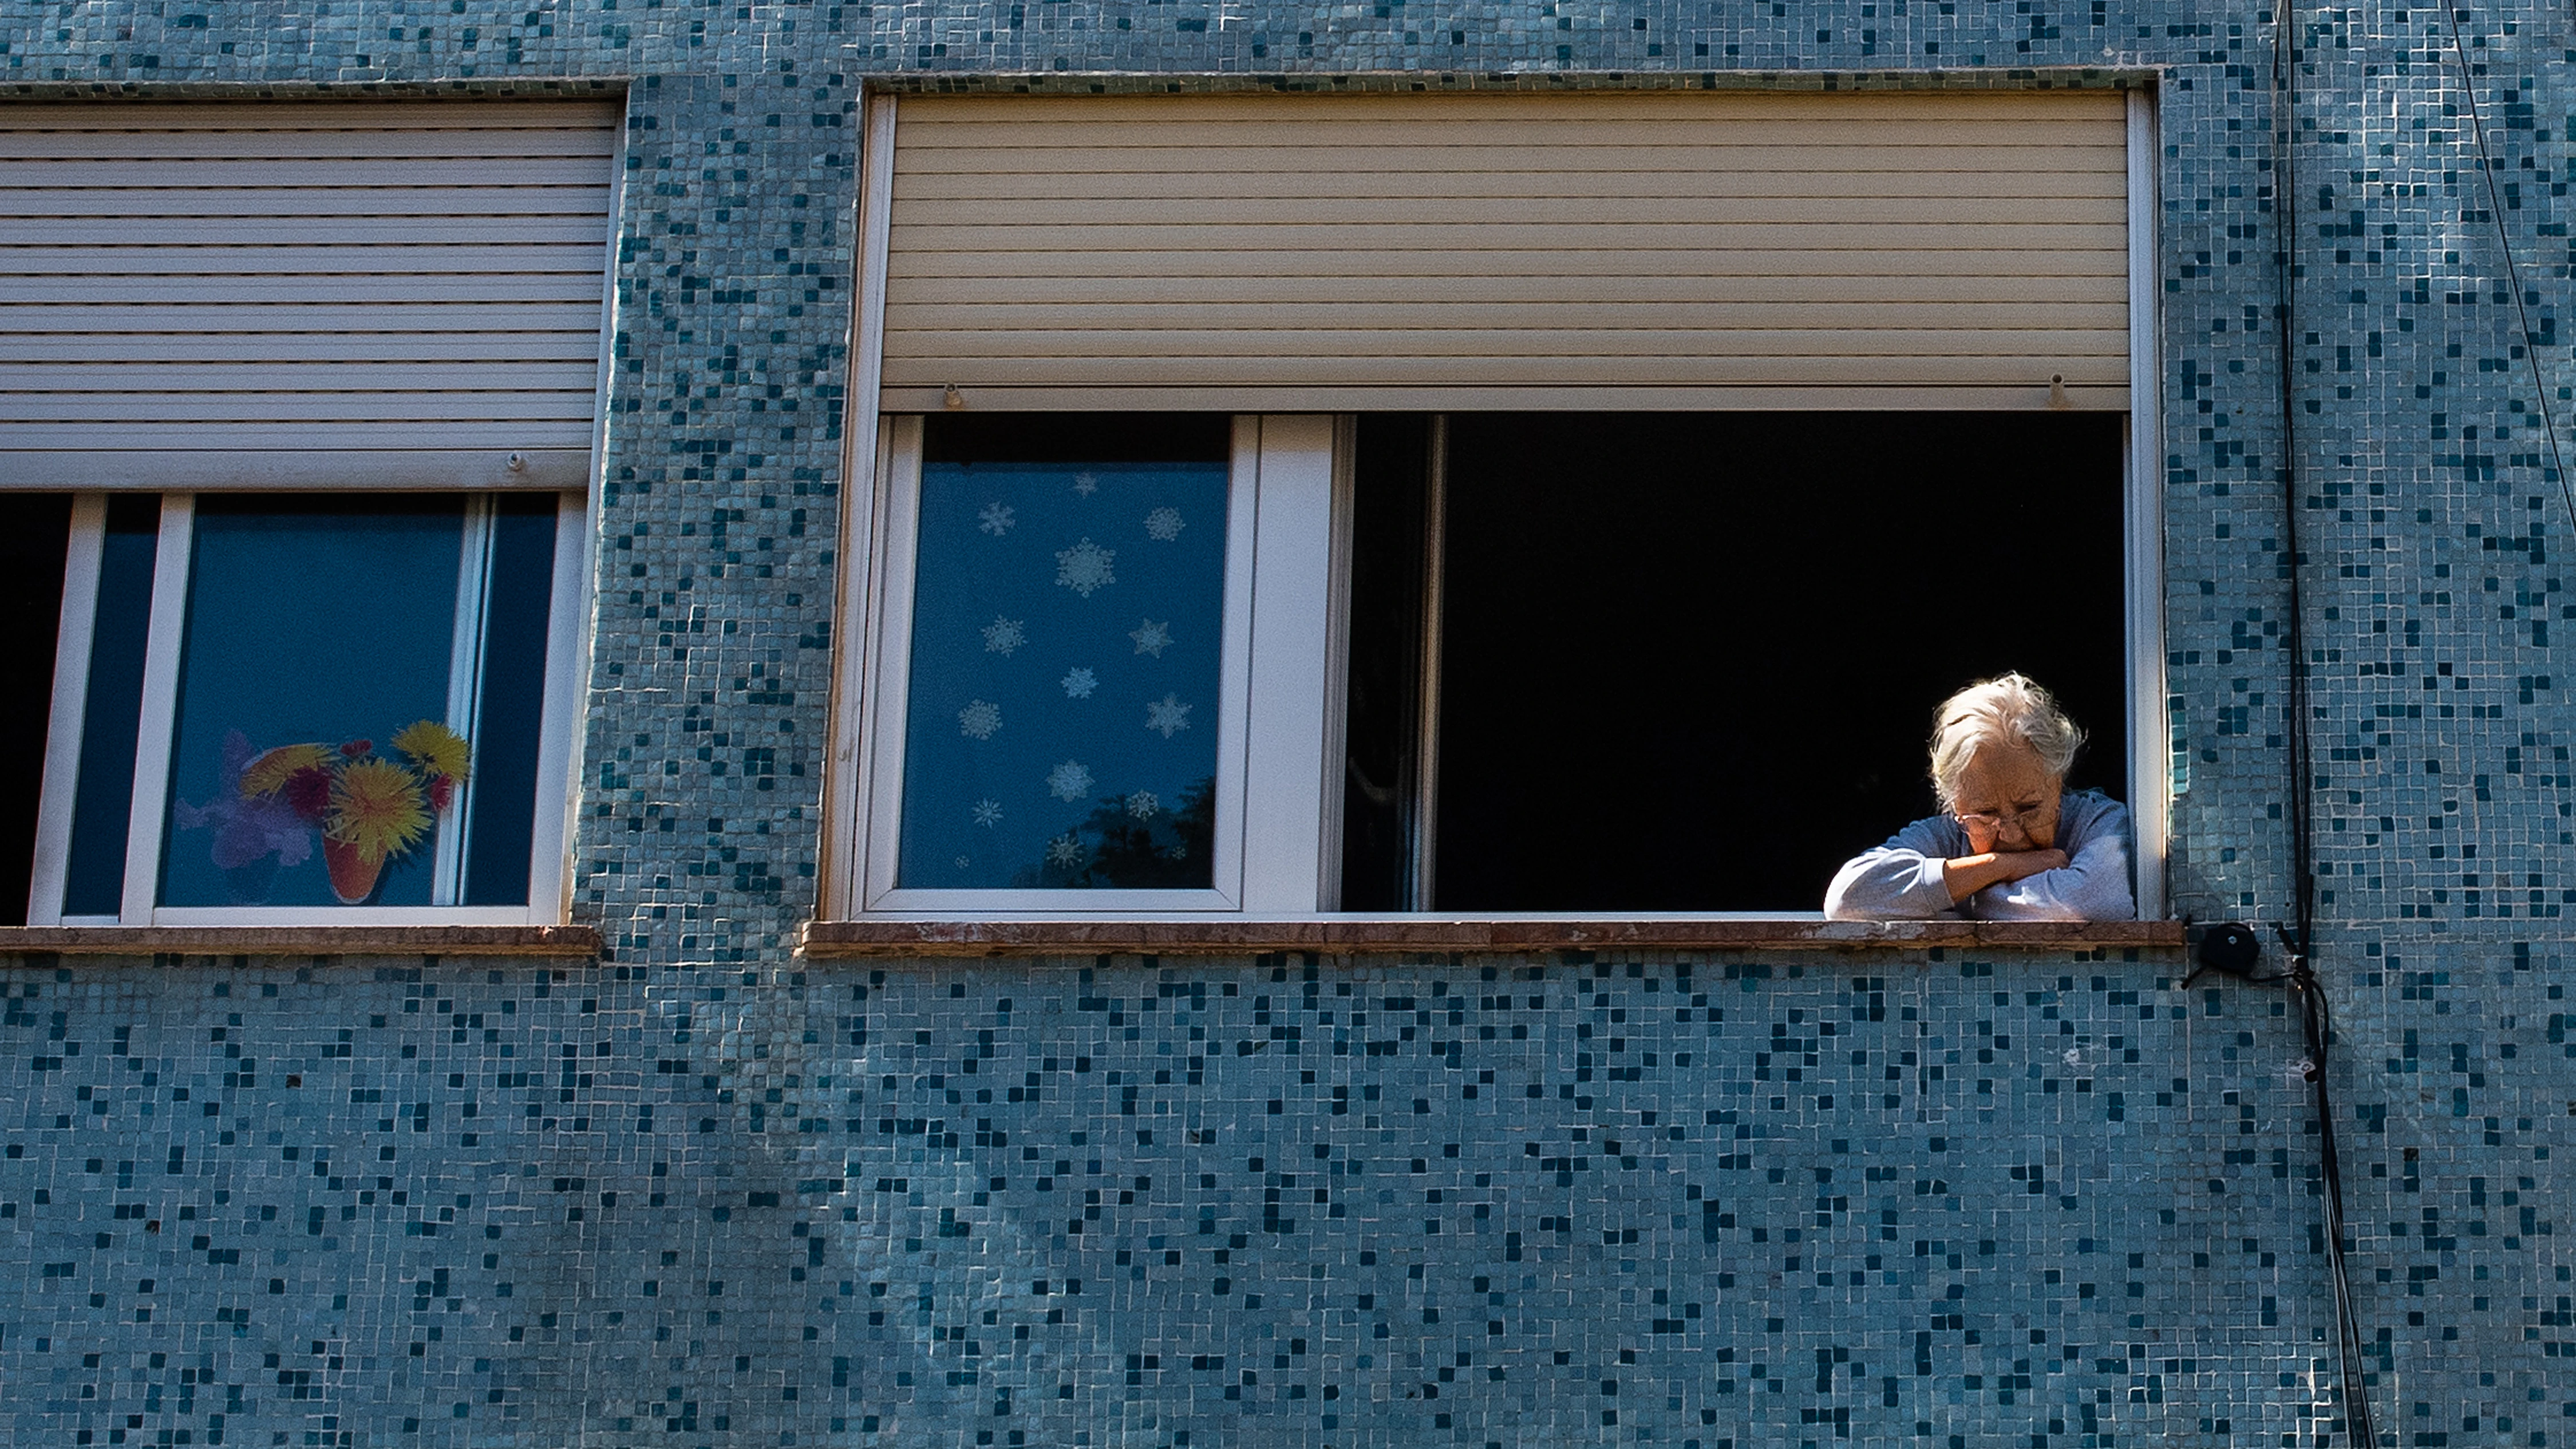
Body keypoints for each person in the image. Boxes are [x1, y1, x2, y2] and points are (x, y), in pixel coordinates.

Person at [1824, 672, 2135, 921]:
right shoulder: (1946, 835)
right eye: (1986, 814)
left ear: (2058, 782)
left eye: (2030, 807)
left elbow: (2090, 903)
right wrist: (2000, 866)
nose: (2012, 835)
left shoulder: (2099, 820)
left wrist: (1965, 896)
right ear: (1956, 805)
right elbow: (1847, 899)